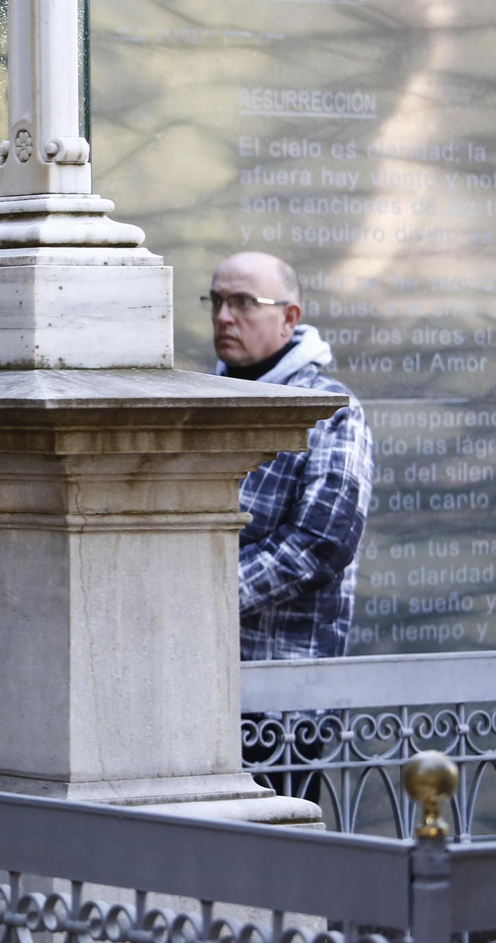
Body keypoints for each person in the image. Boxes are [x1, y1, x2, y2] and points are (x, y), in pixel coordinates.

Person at [208, 251, 374, 797]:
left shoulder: (332, 407)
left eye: (242, 303)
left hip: (282, 698)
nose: (224, 317)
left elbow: (321, 544)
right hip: (195, 680)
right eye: (217, 301)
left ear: (290, 316)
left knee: (277, 867)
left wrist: (202, 594)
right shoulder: (203, 400)